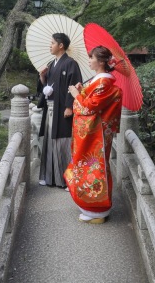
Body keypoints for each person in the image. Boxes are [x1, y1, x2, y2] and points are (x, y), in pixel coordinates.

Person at [64, 45, 123, 224]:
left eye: (91, 58)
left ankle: (97, 209)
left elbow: (91, 107)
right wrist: (82, 90)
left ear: (101, 61)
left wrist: (76, 95)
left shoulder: (104, 82)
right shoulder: (99, 80)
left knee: (94, 167)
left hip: (95, 133)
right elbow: (90, 100)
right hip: (93, 132)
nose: (89, 60)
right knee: (89, 166)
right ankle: (91, 207)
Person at [38, 32, 83, 188]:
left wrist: (69, 106)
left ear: (61, 45)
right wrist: (42, 77)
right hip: (51, 108)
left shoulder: (71, 64)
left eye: (52, 43)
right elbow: (47, 87)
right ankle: (50, 178)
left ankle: (66, 180)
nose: (50, 46)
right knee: (50, 142)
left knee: (63, 142)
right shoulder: (52, 64)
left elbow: (75, 85)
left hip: (62, 109)